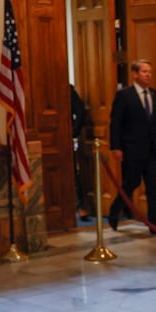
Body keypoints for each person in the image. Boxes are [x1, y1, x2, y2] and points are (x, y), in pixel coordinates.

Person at [108, 59, 156, 233]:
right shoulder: (125, 95)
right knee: (132, 182)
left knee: (153, 187)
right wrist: (116, 147)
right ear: (135, 74)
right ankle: (115, 210)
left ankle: (155, 225)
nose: (148, 75)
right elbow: (115, 123)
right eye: (145, 72)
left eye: (150, 72)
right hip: (132, 148)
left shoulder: (154, 94)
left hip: (151, 149)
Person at [70, 84, 90, 221]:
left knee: (72, 173)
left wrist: (73, 132)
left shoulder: (67, 89)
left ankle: (80, 206)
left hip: (65, 138)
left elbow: (80, 111)